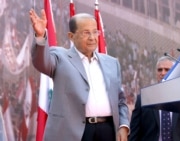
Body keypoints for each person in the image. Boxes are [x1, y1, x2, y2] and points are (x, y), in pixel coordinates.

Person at [29, 9, 130, 141]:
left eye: (95, 32)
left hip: (107, 131)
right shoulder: (60, 57)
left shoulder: (111, 63)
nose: (92, 37)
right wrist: (41, 36)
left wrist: (123, 125)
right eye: (86, 33)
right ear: (71, 36)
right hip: (74, 132)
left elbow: (120, 101)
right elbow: (41, 62)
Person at [128, 56, 180, 141]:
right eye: (160, 70)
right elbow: (134, 133)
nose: (162, 73)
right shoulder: (143, 99)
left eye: (167, 69)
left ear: (175, 72)